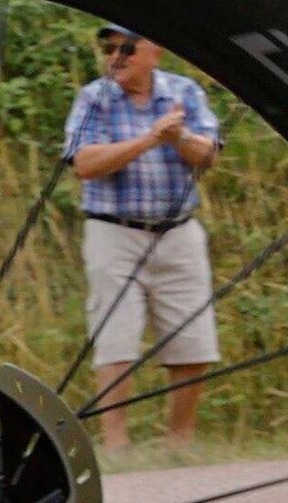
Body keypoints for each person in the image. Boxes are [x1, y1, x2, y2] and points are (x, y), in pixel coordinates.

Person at [65, 27, 223, 447]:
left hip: (178, 231)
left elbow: (208, 155)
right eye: (109, 48)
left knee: (191, 336)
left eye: (127, 48)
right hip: (114, 231)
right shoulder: (94, 98)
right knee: (115, 336)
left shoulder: (184, 92)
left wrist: (179, 138)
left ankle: (180, 442)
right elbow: (84, 163)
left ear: (155, 50)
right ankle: (116, 444)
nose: (117, 56)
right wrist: (151, 138)